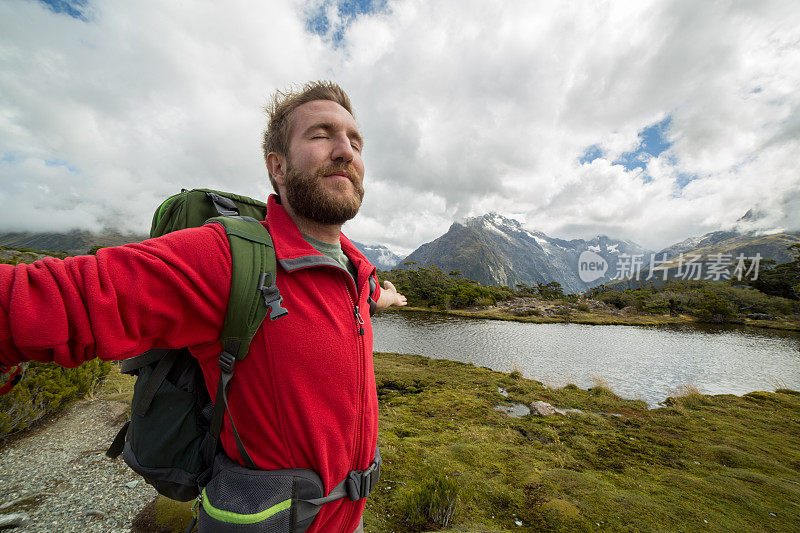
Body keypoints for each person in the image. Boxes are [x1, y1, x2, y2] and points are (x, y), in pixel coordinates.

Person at [0, 80, 406, 533]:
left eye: (355, 140)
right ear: (278, 167)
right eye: (321, 135)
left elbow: (355, 304)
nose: (345, 150)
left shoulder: (356, 268)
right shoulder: (226, 258)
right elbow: (49, 297)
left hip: (349, 520)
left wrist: (385, 298)